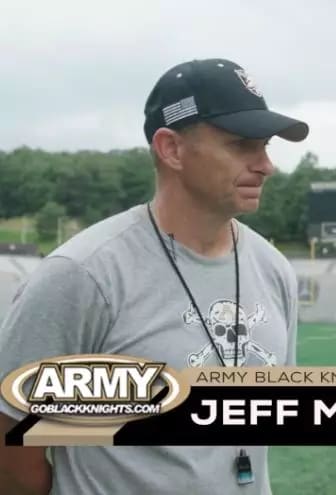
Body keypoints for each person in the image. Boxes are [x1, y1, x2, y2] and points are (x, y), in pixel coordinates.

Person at [0, 58, 308, 494]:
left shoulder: (273, 269)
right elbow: (12, 446)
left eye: (266, 146)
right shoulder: (85, 276)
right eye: (242, 145)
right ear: (171, 149)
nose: (266, 165)